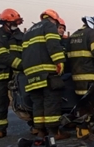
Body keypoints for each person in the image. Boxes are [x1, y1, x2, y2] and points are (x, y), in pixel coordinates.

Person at [22, 9, 67, 139]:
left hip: (31, 75)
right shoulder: (49, 26)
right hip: (47, 72)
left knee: (38, 103)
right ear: (54, 20)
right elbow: (53, 45)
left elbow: (24, 53)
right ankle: (54, 132)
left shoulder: (29, 31)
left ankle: (41, 132)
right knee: (51, 101)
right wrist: (59, 62)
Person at [0, 8, 24, 138]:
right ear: (5, 23)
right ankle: (1, 129)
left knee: (25, 98)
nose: (16, 25)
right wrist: (22, 65)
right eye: (14, 23)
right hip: (0, 75)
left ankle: (34, 126)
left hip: (17, 74)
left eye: (17, 23)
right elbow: (3, 56)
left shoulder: (21, 36)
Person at [67, 15, 94, 97]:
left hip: (77, 84)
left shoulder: (73, 35)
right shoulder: (93, 34)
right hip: (92, 83)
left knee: (84, 108)